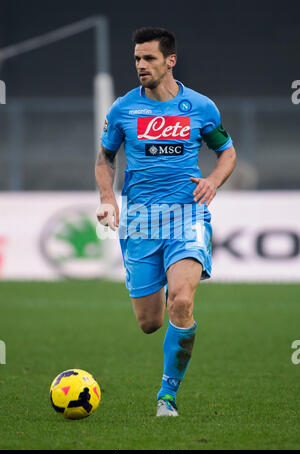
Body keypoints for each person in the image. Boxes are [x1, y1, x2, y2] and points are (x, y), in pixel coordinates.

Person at [95, 27, 236, 417]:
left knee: (182, 300)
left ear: (170, 60)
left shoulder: (201, 107)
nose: (141, 65)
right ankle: (156, 297)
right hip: (140, 220)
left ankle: (167, 397)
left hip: (187, 215)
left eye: (149, 58)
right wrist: (108, 200)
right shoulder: (123, 109)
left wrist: (212, 180)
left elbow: (227, 152)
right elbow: (104, 158)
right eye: (137, 58)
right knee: (149, 322)